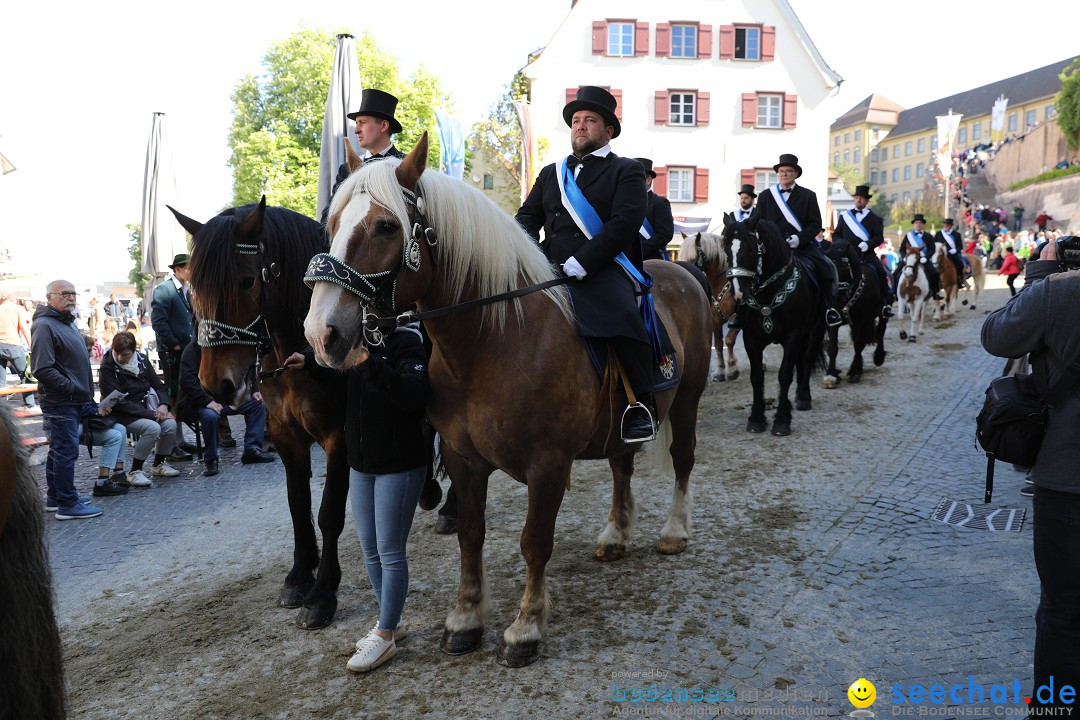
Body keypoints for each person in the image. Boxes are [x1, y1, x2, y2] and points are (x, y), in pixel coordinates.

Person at [285, 322, 430, 673]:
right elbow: (347, 393)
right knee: (370, 549)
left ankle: (383, 635)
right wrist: (314, 368)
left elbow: (413, 396)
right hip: (361, 466)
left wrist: (369, 363)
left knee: (391, 551)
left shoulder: (407, 341)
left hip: (399, 465)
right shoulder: (360, 339)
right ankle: (390, 622)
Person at [515, 85, 657, 441]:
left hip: (604, 266)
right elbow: (527, 218)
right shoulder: (552, 173)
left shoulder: (626, 171)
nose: (580, 126)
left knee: (621, 315)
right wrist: (525, 254)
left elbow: (624, 225)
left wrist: (585, 261)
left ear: (608, 130)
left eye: (589, 120)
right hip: (547, 266)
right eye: (576, 121)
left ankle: (641, 403)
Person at [982, 239, 1080, 707]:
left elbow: (995, 337)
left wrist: (1039, 281)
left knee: (1063, 608)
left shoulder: (1058, 291)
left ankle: (1056, 709)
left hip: (1068, 476)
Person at [31, 280, 129, 520]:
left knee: (60, 449)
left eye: (73, 293)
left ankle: (56, 497)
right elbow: (42, 368)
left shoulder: (65, 322)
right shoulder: (45, 325)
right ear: (49, 297)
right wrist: (73, 388)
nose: (71, 297)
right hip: (61, 401)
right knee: (66, 450)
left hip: (71, 400)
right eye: (64, 294)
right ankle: (67, 503)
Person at [753, 153, 842, 327]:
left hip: (802, 247)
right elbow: (759, 223)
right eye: (781, 171)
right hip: (772, 249)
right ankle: (742, 312)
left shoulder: (808, 195)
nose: (784, 174)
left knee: (825, 267)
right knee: (747, 269)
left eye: (788, 171)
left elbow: (815, 224)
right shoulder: (765, 196)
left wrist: (798, 239)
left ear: (795, 174)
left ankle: (828, 309)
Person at [175, 339, 274, 476]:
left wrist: (254, 390)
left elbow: (248, 368)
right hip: (200, 403)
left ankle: (252, 449)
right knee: (210, 416)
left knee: (256, 405)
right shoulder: (193, 349)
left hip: (226, 399)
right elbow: (187, 380)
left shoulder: (227, 345)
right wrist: (208, 402)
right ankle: (211, 461)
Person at [98, 331, 180, 486]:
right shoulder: (107, 367)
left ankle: (158, 464)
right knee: (153, 428)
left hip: (146, 408)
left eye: (126, 354)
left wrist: (163, 405)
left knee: (170, 425)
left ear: (134, 351)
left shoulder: (141, 360)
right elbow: (118, 402)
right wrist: (153, 414)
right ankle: (135, 471)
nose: (121, 358)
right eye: (118, 353)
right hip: (121, 413)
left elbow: (158, 385)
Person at [321, 89, 407, 225]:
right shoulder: (346, 170)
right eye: (356, 123)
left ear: (383, 125)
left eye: (362, 122)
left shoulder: (406, 168)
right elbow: (328, 216)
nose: (356, 130)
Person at [151, 254, 197, 459]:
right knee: (173, 394)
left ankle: (178, 440)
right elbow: (158, 322)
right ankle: (170, 446)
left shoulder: (186, 290)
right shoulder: (165, 290)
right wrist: (175, 344)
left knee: (182, 394)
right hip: (173, 352)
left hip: (186, 349)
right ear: (178, 269)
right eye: (189, 268)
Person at [830, 185, 894, 317]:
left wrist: (868, 244)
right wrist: (842, 245)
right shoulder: (845, 217)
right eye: (857, 198)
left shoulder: (875, 219)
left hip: (867, 255)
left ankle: (885, 304)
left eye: (862, 198)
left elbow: (879, 237)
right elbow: (836, 235)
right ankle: (830, 308)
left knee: (882, 273)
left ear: (867, 201)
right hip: (846, 256)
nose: (859, 200)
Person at [634, 158, 673, 261]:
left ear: (648, 180)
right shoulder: (624, 202)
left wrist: (638, 250)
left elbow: (665, 235)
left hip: (651, 259)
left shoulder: (659, 203)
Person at [0, 293, 35, 406]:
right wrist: (31, 344)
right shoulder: (18, 309)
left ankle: (2, 408)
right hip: (13, 344)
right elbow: (24, 328)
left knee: (1, 380)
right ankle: (29, 404)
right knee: (25, 375)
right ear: (13, 299)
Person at [895, 214, 941, 299]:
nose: (918, 224)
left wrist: (926, 257)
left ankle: (935, 293)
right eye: (916, 223)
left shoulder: (928, 236)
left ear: (922, 224)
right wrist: (904, 257)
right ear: (914, 224)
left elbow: (932, 249)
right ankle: (896, 294)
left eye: (920, 223)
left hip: (923, 260)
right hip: (910, 260)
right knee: (896, 273)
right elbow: (902, 249)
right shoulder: (908, 236)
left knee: (934, 273)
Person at [936, 218, 969, 291]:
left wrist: (955, 250)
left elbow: (960, 246)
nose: (946, 226)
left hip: (953, 254)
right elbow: (935, 244)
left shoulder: (956, 234)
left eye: (948, 225)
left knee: (960, 264)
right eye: (945, 224)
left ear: (951, 226)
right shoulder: (938, 234)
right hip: (941, 255)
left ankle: (959, 280)